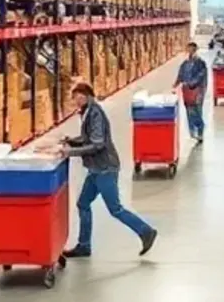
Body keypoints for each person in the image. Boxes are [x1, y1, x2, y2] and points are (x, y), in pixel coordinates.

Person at [38, 82, 158, 258]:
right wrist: (71, 141)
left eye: (77, 97)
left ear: (86, 95)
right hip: (95, 168)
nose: (75, 101)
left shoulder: (95, 114)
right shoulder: (87, 111)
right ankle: (84, 245)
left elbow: (97, 143)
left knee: (115, 208)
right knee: (83, 204)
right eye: (74, 98)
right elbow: (87, 138)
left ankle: (146, 231)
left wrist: (70, 152)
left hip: (105, 168)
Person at [173, 42, 208, 141]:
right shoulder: (185, 63)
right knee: (189, 111)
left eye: (191, 49)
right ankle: (192, 131)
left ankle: (200, 131)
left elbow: (201, 76)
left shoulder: (200, 63)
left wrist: (191, 83)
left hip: (198, 91)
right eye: (188, 49)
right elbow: (180, 75)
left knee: (197, 110)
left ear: (195, 50)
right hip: (187, 91)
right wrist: (175, 84)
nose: (189, 51)